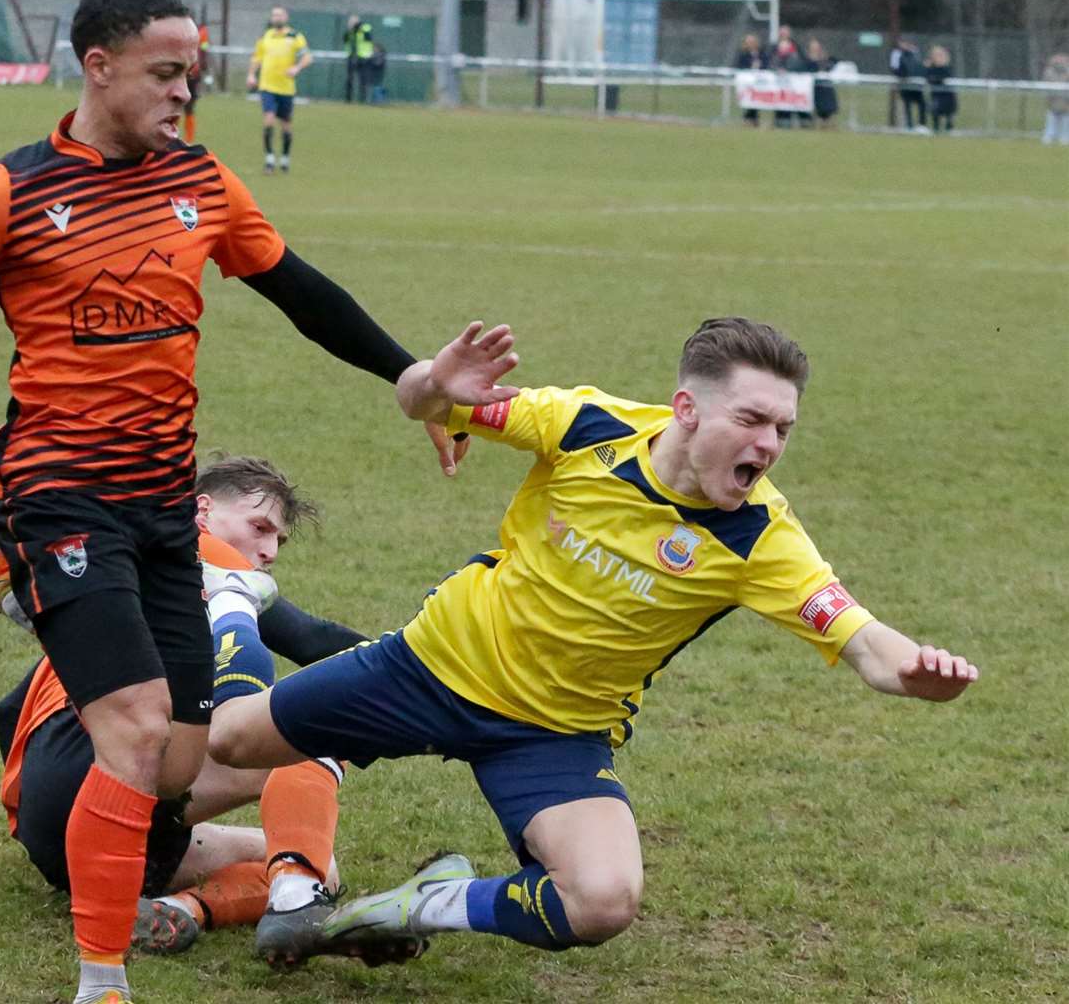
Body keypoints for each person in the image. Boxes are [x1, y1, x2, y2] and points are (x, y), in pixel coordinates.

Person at [0, 0, 503, 1004]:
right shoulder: (7, 192)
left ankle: (185, 884)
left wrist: (414, 378)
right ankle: (101, 980)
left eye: (193, 71)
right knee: (137, 726)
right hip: (58, 500)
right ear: (97, 66)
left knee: (181, 760)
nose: (184, 91)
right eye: (165, 72)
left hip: (165, 509)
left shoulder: (199, 180)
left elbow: (302, 292)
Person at [201, 317, 980, 963]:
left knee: (602, 900)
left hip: (552, 733)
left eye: (782, 428)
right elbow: (421, 403)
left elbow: (866, 644)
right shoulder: (586, 424)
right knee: (232, 740)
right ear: (685, 409)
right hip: (427, 667)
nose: (768, 444)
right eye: (749, 420)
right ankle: (235, 600)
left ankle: (417, 905)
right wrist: (435, 386)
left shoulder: (759, 538)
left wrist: (915, 669)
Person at [0, 454, 378, 961]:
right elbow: (314, 639)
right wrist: (422, 673)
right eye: (260, 528)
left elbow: (6, 711)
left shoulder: (128, 558)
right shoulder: (193, 555)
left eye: (278, 541)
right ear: (202, 510)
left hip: (57, 825)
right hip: (101, 779)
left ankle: (178, 910)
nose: (269, 551)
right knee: (313, 727)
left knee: (319, 868)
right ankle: (286, 901)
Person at [247, 6, 311, 173]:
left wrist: (297, 68)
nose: (277, 17)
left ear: (286, 17)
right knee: (268, 119)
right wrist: (252, 74)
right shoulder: (265, 36)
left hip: (286, 88)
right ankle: (269, 159)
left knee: (286, 125)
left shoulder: (295, 36)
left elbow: (307, 57)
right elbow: (257, 57)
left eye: (280, 15)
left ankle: (285, 158)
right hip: (267, 86)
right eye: (274, 15)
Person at [767, 25, 802, 129]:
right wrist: (777, 69)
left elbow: (799, 61)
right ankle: (778, 122)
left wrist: (789, 69)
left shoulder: (795, 47)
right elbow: (770, 61)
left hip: (791, 80)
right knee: (778, 100)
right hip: (777, 80)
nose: (783, 35)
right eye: (782, 33)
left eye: (785, 33)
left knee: (789, 101)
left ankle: (788, 123)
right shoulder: (774, 47)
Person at [181, 23, 210, 142]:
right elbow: (204, 51)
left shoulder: (202, 32)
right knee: (184, 107)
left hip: (191, 74)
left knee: (187, 107)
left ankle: (188, 139)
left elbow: (204, 51)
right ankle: (185, 139)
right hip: (187, 73)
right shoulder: (201, 32)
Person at [890, 38, 927, 130]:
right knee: (907, 105)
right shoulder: (898, 55)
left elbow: (919, 68)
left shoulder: (915, 54)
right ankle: (909, 125)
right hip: (905, 85)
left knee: (922, 104)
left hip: (916, 85)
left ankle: (921, 125)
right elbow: (896, 69)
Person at [802, 37, 839, 129]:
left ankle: (828, 126)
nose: (815, 49)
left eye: (816, 47)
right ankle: (816, 126)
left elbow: (831, 65)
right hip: (814, 87)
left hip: (826, 87)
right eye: (813, 47)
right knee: (816, 108)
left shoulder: (826, 58)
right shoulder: (807, 59)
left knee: (828, 109)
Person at [734, 32, 766, 127]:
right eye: (748, 42)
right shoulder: (742, 54)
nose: (750, 44)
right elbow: (739, 66)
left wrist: (760, 66)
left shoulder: (762, 54)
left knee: (756, 102)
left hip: (759, 83)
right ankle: (748, 121)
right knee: (749, 102)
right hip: (747, 83)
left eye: (752, 42)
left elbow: (767, 64)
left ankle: (753, 121)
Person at [923, 45, 957, 134]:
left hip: (947, 94)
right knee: (935, 112)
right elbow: (928, 78)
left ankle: (949, 129)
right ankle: (936, 129)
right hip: (936, 94)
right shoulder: (930, 68)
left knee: (949, 112)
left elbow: (946, 77)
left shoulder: (947, 68)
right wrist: (927, 67)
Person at [343, 14, 374, 104]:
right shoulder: (350, 31)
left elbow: (368, 37)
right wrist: (349, 29)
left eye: (353, 21)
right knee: (350, 79)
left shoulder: (365, 28)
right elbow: (345, 39)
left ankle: (364, 100)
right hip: (352, 56)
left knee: (363, 79)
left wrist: (357, 27)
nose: (352, 23)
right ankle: (348, 99)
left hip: (363, 57)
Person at [1040, 52, 1069, 146]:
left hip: (1065, 99)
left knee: (1065, 120)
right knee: (1052, 119)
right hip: (1054, 99)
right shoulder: (1049, 72)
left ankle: (1064, 138)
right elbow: (1047, 84)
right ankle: (1048, 137)